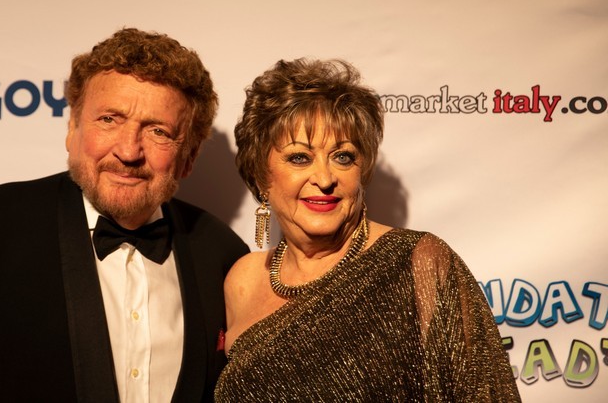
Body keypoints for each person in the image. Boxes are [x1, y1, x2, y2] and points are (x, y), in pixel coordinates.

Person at [0, 28, 249, 402]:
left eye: (158, 131)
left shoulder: (222, 256)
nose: (128, 151)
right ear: (72, 128)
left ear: (189, 157)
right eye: (109, 119)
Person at [214, 58, 521, 401]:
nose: (325, 178)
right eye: (300, 157)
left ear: (362, 170)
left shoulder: (417, 262)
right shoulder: (243, 280)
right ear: (260, 175)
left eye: (343, 157)